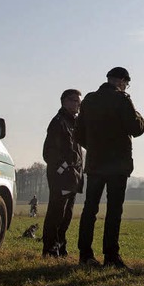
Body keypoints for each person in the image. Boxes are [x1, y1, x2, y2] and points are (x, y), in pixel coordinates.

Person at [75, 66, 144, 268]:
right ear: (122, 81)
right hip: (118, 165)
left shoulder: (89, 99)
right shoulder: (122, 99)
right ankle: (111, 256)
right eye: (126, 83)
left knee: (90, 209)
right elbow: (136, 128)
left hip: (95, 163)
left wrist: (95, 147)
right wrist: (138, 115)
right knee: (114, 211)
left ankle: (85, 254)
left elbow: (78, 133)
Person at [41, 88, 84, 258]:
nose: (77, 104)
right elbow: (49, 152)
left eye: (79, 102)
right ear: (64, 101)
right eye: (74, 100)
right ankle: (50, 249)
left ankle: (61, 247)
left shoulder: (75, 123)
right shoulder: (58, 122)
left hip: (74, 176)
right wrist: (63, 168)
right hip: (62, 176)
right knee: (56, 213)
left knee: (67, 215)